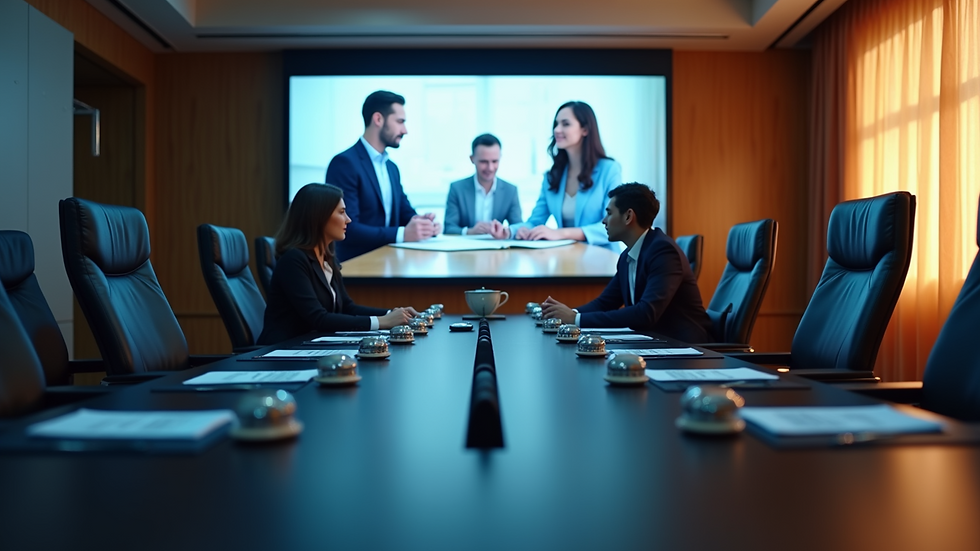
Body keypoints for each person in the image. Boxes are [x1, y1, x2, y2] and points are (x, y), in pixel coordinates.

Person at [540, 183, 712, 343]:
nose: (604, 221)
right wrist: (570, 314)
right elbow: (605, 303)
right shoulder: (627, 257)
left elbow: (646, 313)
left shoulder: (663, 251)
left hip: (685, 348)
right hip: (655, 342)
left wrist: (575, 320)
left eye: (609, 213)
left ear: (628, 216)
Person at [257, 183, 417, 345]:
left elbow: (347, 307)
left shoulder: (327, 258)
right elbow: (318, 318)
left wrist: (394, 314)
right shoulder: (293, 260)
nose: (348, 219)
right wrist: (381, 322)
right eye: (341, 212)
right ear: (318, 216)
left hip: (310, 345)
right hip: (282, 352)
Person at [325, 90, 441, 262]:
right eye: (400, 122)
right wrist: (402, 233)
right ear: (378, 119)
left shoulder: (391, 167)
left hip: (390, 262)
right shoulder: (344, 163)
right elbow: (348, 227)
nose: (405, 130)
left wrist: (423, 224)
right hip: (356, 265)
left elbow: (404, 213)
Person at [509, 101, 621, 247]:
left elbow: (615, 225)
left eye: (565, 124)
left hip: (603, 258)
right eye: (556, 124)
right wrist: (510, 231)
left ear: (585, 130)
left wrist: (559, 233)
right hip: (567, 258)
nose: (557, 129)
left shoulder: (609, 170)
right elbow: (535, 221)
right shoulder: (552, 176)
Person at [444, 134, 523, 238]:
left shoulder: (510, 190)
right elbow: (449, 228)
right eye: (484, 162)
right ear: (472, 159)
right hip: (465, 251)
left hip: (497, 251)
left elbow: (518, 227)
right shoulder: (457, 189)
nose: (490, 168)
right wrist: (469, 232)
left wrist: (504, 232)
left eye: (494, 161)